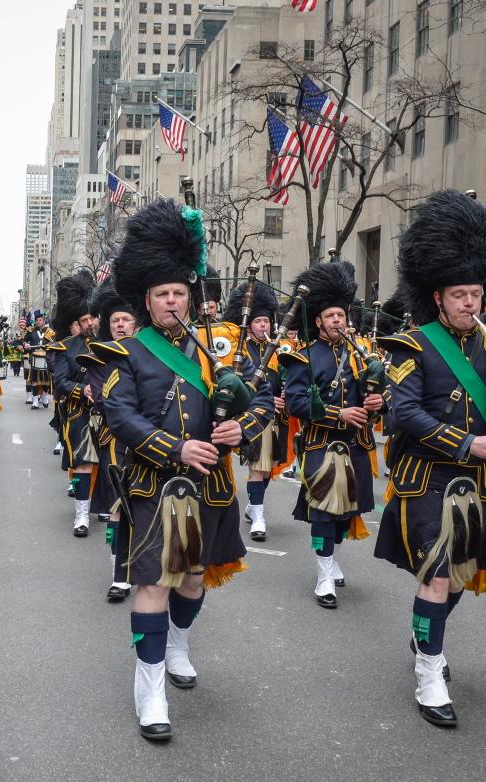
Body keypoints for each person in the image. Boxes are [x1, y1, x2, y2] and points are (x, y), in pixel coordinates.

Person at [374, 189, 486, 728]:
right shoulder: (412, 345)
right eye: (459, 294)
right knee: (437, 576)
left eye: (475, 292)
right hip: (429, 482)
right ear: (438, 298)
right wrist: (467, 444)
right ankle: (429, 673)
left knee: (460, 578)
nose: (470, 302)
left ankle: (426, 636)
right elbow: (405, 414)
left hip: (480, 485)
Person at [99, 198, 250, 741]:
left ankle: (179, 644)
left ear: (192, 296)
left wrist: (241, 429)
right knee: (153, 583)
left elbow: (252, 402)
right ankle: (150, 686)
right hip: (151, 487)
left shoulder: (215, 349)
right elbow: (120, 416)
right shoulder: (126, 353)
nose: (171, 302)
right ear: (146, 300)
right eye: (162, 294)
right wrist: (174, 449)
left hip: (208, 485)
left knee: (191, 579)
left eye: (179, 293)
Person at [280, 262, 379, 608]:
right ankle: (324, 575)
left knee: (344, 514)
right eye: (330, 315)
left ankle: (332, 557)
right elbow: (294, 403)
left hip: (355, 446)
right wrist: (339, 413)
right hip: (321, 446)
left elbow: (375, 399)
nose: (337, 320)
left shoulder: (361, 354)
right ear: (318, 321)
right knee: (323, 513)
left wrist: (378, 402)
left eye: (341, 314)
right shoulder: (302, 358)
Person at [78, 275, 137, 600]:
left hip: (153, 443)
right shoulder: (100, 356)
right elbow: (103, 396)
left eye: (126, 319)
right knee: (118, 505)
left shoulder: (150, 352)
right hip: (115, 438)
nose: (120, 325)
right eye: (115, 320)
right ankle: (119, 574)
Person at [223, 278, 286, 542]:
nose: (264, 326)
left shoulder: (278, 350)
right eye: (259, 322)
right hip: (252, 416)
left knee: (269, 467)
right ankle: (258, 517)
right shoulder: (242, 350)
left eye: (267, 322)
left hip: (277, 418)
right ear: (249, 325)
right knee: (257, 467)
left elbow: (286, 383)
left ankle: (253, 506)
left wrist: (285, 397)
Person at [48, 270, 101, 537]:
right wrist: (83, 390)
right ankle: (81, 514)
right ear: (77, 322)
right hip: (79, 411)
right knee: (82, 462)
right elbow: (60, 382)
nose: (90, 322)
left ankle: (102, 502)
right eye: (84, 319)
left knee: (107, 461)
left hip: (108, 413)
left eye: (92, 317)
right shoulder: (65, 347)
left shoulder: (112, 345)